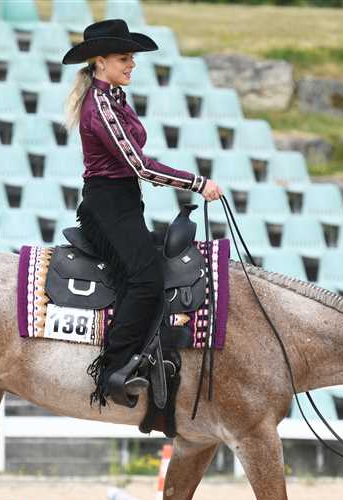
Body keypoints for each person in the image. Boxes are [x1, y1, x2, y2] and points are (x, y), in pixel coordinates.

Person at [62, 19, 223, 409]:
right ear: (100, 62)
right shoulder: (101, 106)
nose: (131, 64)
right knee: (146, 279)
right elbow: (140, 166)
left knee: (155, 265)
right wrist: (196, 182)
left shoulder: (114, 97)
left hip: (123, 201)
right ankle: (113, 372)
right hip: (108, 204)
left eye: (131, 58)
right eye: (124, 58)